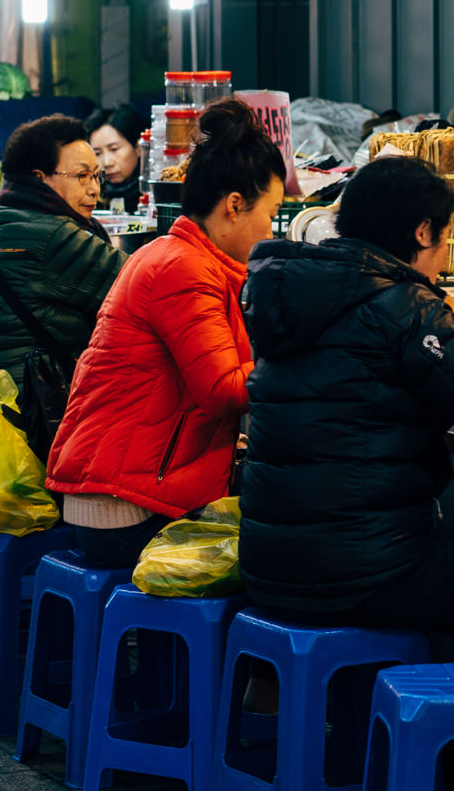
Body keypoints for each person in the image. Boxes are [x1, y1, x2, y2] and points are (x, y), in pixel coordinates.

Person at [239, 156, 454, 630]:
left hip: (269, 568)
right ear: (423, 232)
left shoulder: (293, 293)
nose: (445, 256)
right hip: (363, 577)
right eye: (446, 239)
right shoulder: (403, 304)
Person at [44, 98, 286, 570]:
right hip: (123, 505)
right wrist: (301, 361)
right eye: (272, 212)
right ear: (235, 206)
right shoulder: (183, 269)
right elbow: (221, 390)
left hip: (129, 486)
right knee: (284, 552)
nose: (272, 228)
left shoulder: (186, 259)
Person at [0, 115, 124, 443]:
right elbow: (144, 285)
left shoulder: (1, 218)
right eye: (81, 176)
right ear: (39, 179)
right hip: (2, 423)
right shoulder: (48, 235)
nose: (94, 189)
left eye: (96, 176)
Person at [85, 104, 147, 213]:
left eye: (114, 149)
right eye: (97, 153)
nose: (107, 163)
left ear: (138, 148)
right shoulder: (89, 197)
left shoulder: (154, 195)